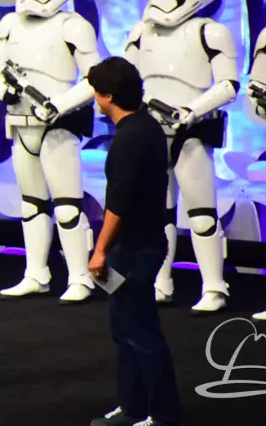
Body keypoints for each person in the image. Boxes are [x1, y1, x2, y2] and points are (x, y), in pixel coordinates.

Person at [86, 56, 182, 426]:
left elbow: (119, 202)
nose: (94, 97)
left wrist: (99, 250)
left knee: (140, 332)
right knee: (124, 328)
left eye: (97, 91)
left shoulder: (130, 137)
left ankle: (163, 415)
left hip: (134, 249)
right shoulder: (147, 125)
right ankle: (133, 408)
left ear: (108, 96)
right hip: (139, 245)